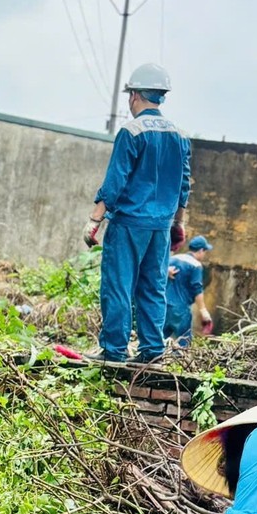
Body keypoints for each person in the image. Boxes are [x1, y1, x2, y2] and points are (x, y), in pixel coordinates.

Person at [86, 62, 191, 363]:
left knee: (118, 285)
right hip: (160, 227)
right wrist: (178, 224)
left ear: (134, 95)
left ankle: (114, 350)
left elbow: (115, 181)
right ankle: (152, 352)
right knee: (153, 287)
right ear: (161, 96)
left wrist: (94, 220)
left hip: (129, 223)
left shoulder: (131, 131)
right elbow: (184, 184)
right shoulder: (180, 135)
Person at [165, 232, 214, 350]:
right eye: (205, 251)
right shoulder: (196, 265)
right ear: (201, 250)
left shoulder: (173, 258)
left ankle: (153, 358)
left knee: (159, 337)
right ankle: (178, 364)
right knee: (184, 341)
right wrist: (203, 310)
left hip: (164, 305)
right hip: (180, 309)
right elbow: (197, 288)